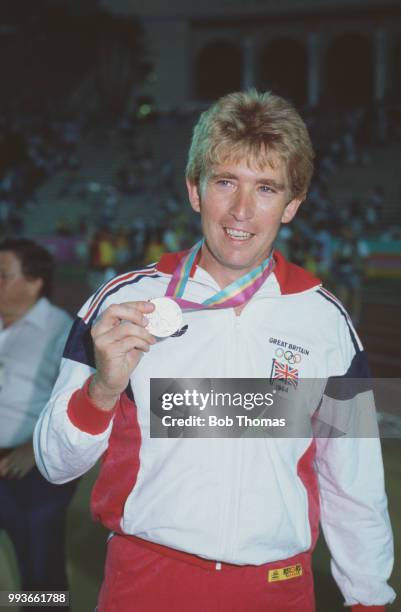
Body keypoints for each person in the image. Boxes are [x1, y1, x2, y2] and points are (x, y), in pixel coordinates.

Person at [34, 91, 395, 611]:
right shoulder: (124, 304)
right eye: (226, 182)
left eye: (266, 188)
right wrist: (102, 389)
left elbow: (354, 480)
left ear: (292, 205)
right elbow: (53, 464)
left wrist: (369, 599)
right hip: (147, 582)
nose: (242, 211)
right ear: (195, 191)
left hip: (279, 590)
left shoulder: (328, 325)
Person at [0, 238, 77, 608]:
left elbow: (79, 401)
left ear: (34, 282)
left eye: (2, 275)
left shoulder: (62, 331)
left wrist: (34, 447)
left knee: (38, 567)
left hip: (32, 466)